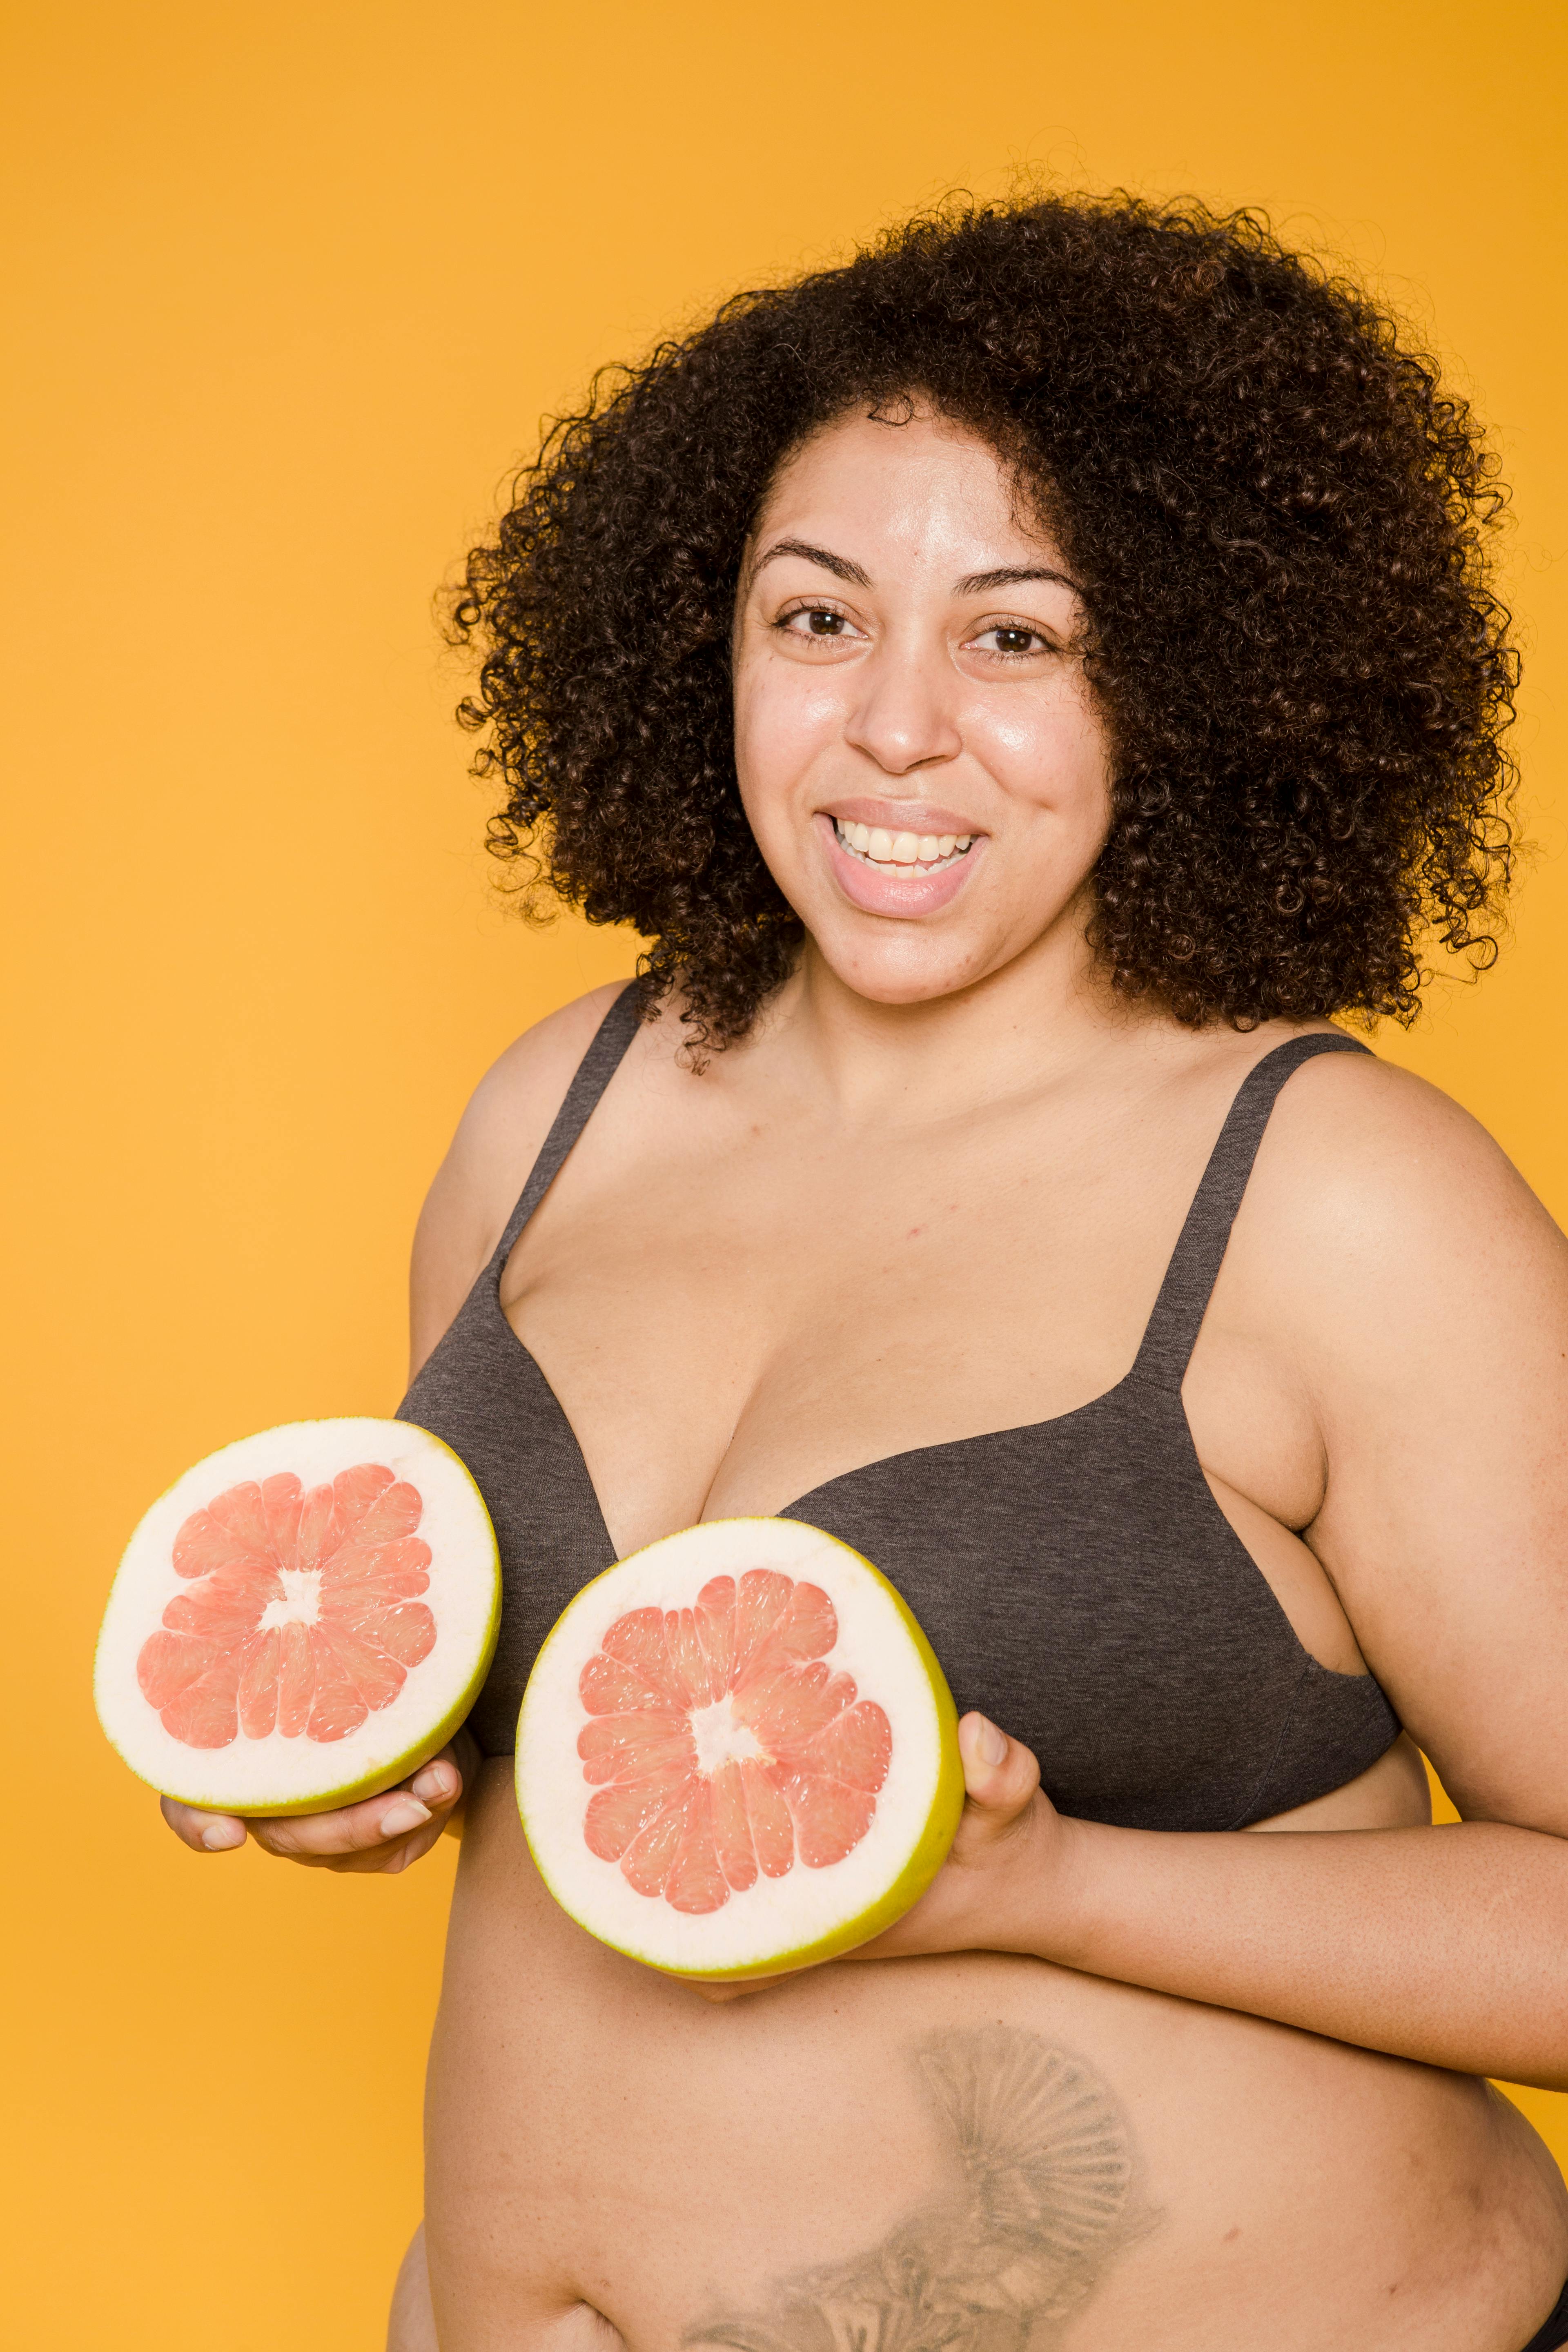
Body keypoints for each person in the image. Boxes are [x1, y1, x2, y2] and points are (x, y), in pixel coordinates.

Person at [162, 194, 1568, 2351]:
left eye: (1019, 637)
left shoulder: (1339, 1198)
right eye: (816, 619)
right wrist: (346, 1756)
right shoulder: (555, 1115)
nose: (897, 725)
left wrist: (1057, 1893)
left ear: (1192, 675)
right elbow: (563, 1755)